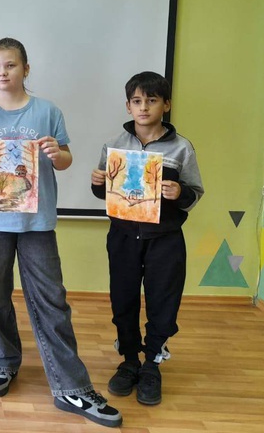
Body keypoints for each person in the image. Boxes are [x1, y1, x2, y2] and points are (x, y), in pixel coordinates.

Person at [0, 37, 122, 428]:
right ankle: (3, 360)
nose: (2, 72)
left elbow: (65, 160)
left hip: (37, 222)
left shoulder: (47, 111)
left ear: (25, 69)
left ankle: (71, 386)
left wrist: (56, 153)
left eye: (10, 65)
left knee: (52, 300)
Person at [90, 71, 203, 406]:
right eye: (137, 101)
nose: (144, 107)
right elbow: (105, 194)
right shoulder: (114, 145)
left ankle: (152, 363)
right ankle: (129, 360)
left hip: (165, 238)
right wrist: (97, 183)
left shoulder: (181, 147)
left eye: (152, 100)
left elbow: (195, 192)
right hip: (123, 236)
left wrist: (180, 191)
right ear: (128, 106)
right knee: (123, 298)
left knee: (163, 300)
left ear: (165, 105)